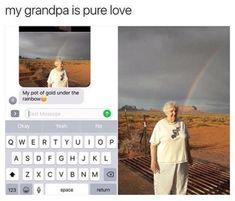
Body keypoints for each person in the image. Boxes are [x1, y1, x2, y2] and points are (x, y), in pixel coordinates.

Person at [149, 101, 193, 195]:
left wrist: (189, 157)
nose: (174, 113)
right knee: (163, 190)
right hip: (164, 163)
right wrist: (153, 161)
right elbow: (153, 144)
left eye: (175, 110)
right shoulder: (160, 125)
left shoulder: (182, 124)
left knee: (180, 189)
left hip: (181, 162)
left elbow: (186, 142)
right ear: (166, 112)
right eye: (171, 111)